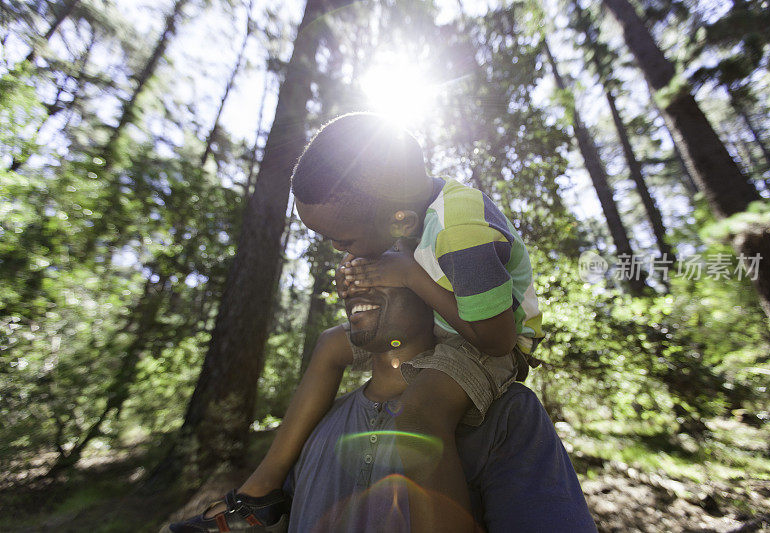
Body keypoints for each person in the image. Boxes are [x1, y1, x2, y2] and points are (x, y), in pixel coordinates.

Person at [171, 112, 546, 530]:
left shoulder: (462, 234)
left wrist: (406, 274)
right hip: (451, 323)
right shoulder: (408, 200)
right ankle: (261, 491)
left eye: (343, 240)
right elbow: (393, 246)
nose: (337, 248)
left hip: (490, 341)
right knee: (333, 343)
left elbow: (495, 338)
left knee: (418, 417)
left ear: (398, 219)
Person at [171, 266, 595, 532]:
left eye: (377, 271)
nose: (355, 281)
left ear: (432, 293)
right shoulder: (313, 423)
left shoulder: (507, 415)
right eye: (351, 272)